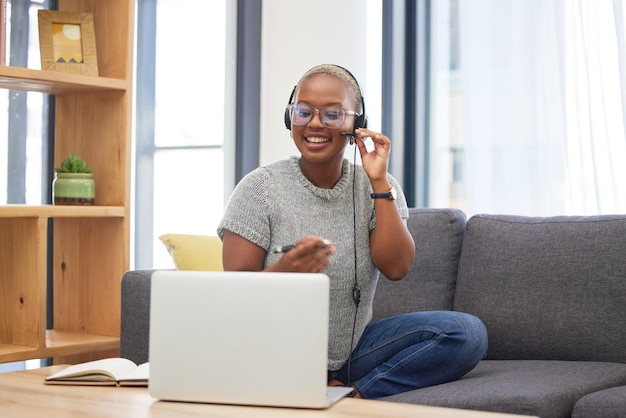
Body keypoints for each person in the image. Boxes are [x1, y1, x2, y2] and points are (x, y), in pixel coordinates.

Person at [217, 64, 488, 399]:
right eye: (303, 112)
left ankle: (354, 394)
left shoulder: (378, 186)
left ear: (356, 125)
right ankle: (322, 387)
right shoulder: (259, 188)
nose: (314, 123)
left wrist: (378, 183)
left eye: (332, 114)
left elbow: (396, 267)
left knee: (466, 332)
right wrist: (284, 272)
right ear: (291, 119)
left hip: (353, 354)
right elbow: (231, 299)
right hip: (274, 354)